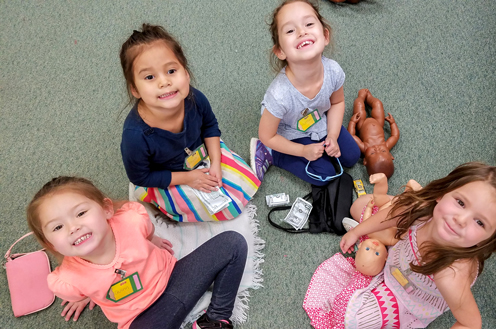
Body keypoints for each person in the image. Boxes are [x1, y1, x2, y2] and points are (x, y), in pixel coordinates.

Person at [306, 162, 496, 328]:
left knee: (354, 321)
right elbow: (391, 217)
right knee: (360, 206)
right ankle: (408, 198)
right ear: (442, 194)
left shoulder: (449, 275)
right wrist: (357, 231)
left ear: (488, 239)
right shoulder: (424, 209)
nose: (461, 220)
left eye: (479, 222)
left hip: (409, 298)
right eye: (460, 202)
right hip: (402, 254)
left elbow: (471, 323)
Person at [27, 176, 245, 329]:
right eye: (57, 227)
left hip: (174, 278)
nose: (73, 228)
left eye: (81, 213)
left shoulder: (132, 220)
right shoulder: (67, 281)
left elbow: (148, 233)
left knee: (233, 243)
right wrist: (83, 294)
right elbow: (78, 288)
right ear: (51, 244)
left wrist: (154, 240)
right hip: (142, 317)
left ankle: (215, 318)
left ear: (106, 209)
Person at [119, 24, 260, 222]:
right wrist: (189, 178)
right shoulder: (135, 136)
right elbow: (140, 177)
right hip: (167, 175)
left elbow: (210, 126)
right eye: (150, 77)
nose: (164, 82)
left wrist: (216, 164)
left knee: (244, 181)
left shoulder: (194, 98)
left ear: (185, 73)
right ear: (135, 89)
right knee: (218, 209)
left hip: (200, 153)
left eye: (171, 71)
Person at [250, 0, 360, 185]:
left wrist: (332, 135)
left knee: (352, 156)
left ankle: (323, 141)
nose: (302, 32)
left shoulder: (333, 71)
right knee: (323, 177)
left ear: (325, 36)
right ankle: (271, 154)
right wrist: (302, 151)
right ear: (280, 51)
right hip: (290, 132)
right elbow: (267, 135)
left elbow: (337, 103)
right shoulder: (279, 95)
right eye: (290, 31)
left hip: (319, 121)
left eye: (309, 24)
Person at [347, 89, 400, 179]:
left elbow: (351, 136)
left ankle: (362, 96)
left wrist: (352, 122)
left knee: (359, 103)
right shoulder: (386, 145)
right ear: (391, 156)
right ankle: (369, 97)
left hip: (362, 124)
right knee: (378, 103)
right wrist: (392, 123)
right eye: (383, 151)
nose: (377, 148)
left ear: (365, 160)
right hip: (378, 123)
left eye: (372, 153)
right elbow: (395, 136)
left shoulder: (364, 147)